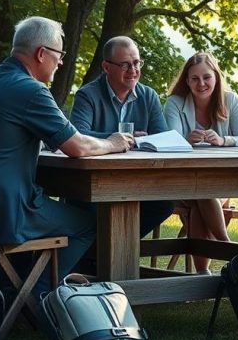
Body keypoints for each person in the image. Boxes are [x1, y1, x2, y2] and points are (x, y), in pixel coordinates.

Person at [0, 16, 134, 297]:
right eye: (59, 54)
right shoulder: (31, 90)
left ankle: (13, 289)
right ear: (41, 53)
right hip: (3, 215)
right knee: (87, 223)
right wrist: (113, 142)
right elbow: (77, 146)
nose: (60, 62)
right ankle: (38, 294)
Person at [69, 36, 174, 238]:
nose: (133, 70)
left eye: (136, 63)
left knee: (163, 205)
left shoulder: (149, 96)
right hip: (93, 181)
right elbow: (77, 134)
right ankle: (98, 257)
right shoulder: (87, 95)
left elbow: (163, 137)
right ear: (106, 67)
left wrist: (137, 141)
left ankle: (108, 252)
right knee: (87, 214)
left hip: (137, 179)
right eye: (125, 64)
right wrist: (117, 140)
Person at [163, 52, 238, 274]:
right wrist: (186, 140)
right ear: (187, 81)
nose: (201, 84)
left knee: (203, 194)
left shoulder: (230, 100)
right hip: (181, 181)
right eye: (194, 78)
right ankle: (229, 248)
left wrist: (223, 140)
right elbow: (169, 142)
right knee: (201, 191)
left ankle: (203, 273)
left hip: (221, 179)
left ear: (216, 77)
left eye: (206, 77)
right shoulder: (174, 103)